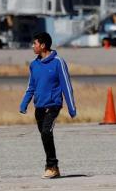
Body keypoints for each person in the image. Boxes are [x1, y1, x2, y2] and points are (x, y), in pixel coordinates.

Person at [19, 32, 77, 179]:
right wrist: (24, 103)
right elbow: (31, 86)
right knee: (45, 136)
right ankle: (54, 168)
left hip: (53, 105)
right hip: (39, 107)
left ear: (43, 45)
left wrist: (71, 107)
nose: (33, 46)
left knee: (46, 132)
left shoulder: (58, 62)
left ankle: (51, 166)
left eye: (35, 44)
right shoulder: (34, 64)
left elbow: (66, 85)